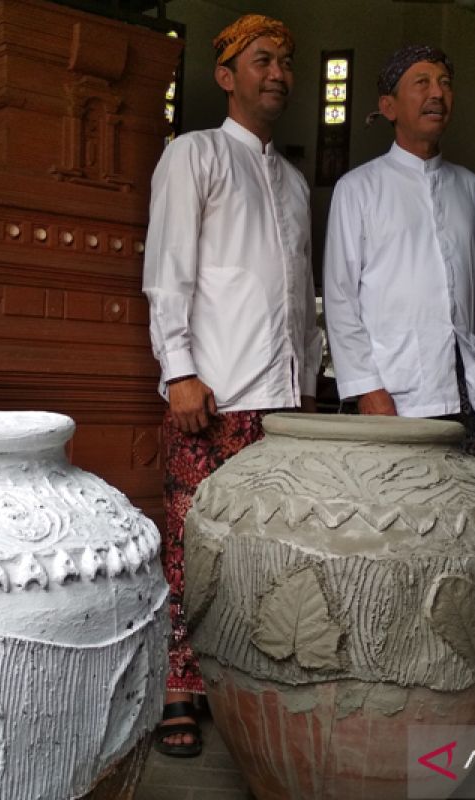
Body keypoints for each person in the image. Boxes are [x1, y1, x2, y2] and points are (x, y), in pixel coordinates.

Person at [141, 13, 321, 758]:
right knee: (189, 545)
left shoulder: (295, 180)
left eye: (284, 61)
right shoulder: (195, 154)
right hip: (211, 398)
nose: (277, 73)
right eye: (261, 60)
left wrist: (307, 387)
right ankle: (178, 688)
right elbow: (169, 269)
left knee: (263, 554)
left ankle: (243, 683)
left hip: (282, 407)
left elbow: (300, 296)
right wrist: (179, 370)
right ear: (226, 76)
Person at [323, 44, 475, 458]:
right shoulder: (358, 189)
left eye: (445, 83)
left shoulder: (470, 189)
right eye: (421, 83)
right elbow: (339, 298)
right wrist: (366, 388)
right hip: (392, 398)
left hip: (467, 394)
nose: (437, 93)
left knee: (466, 514)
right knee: (395, 517)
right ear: (388, 106)